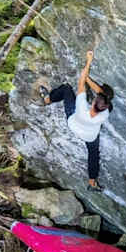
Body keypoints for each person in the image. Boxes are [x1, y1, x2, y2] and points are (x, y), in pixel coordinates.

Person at [40, 50, 115, 191]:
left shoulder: (81, 106)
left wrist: (88, 61)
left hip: (73, 124)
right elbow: (104, 95)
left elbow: (81, 81)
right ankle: (92, 183)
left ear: (93, 103)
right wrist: (88, 80)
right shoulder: (105, 112)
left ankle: (47, 99)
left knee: (66, 89)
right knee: (94, 155)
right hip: (89, 135)